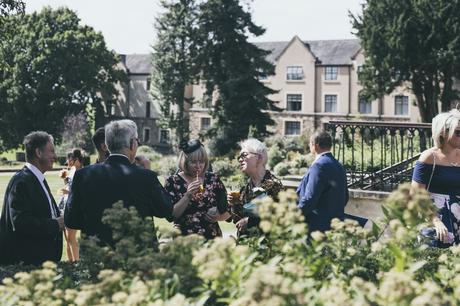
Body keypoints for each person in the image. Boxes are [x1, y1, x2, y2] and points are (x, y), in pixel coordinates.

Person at [65, 119, 174, 247]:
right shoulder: (146, 176)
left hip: (96, 253)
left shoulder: (83, 175)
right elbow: (166, 210)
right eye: (137, 141)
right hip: (137, 254)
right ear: (132, 144)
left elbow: (71, 220)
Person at [0, 131, 64, 265]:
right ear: (38, 153)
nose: (55, 156)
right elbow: (21, 223)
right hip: (27, 266)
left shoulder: (36, 178)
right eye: (51, 151)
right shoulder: (21, 182)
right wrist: (56, 224)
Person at [412, 109, 460, 247]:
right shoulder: (429, 157)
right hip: (435, 218)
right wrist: (436, 221)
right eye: (458, 132)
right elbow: (416, 196)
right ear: (443, 133)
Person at [164, 139, 230, 239]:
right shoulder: (173, 181)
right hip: (184, 239)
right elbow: (171, 216)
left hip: (212, 238)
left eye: (202, 162)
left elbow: (228, 210)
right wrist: (188, 195)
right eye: (193, 162)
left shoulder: (213, 179)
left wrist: (218, 217)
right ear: (185, 162)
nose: (198, 166)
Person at [228, 138, 284, 236]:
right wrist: (233, 204)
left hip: (267, 245)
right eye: (239, 157)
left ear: (259, 158)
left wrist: (250, 221)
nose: (240, 159)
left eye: (244, 155)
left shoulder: (274, 185)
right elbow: (237, 221)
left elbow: (280, 217)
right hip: (246, 245)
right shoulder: (244, 187)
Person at [297, 131, 348, 233]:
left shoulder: (318, 166)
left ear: (315, 146)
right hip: (335, 225)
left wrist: (293, 215)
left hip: (316, 226)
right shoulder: (338, 165)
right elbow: (345, 196)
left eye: (310, 144)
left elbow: (309, 199)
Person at [58, 148, 84, 262]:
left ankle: (76, 263)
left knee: (71, 238)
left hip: (74, 206)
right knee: (67, 239)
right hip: (65, 204)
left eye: (70, 158)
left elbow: (83, 193)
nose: (68, 160)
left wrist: (68, 192)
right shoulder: (72, 171)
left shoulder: (83, 173)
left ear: (77, 160)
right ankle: (71, 264)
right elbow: (70, 185)